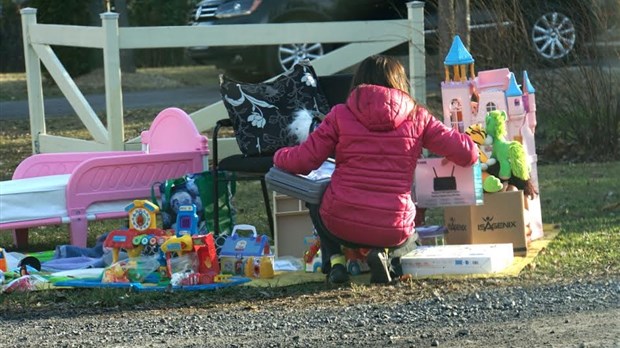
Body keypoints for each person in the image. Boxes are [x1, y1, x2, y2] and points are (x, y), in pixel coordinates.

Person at [273, 55, 478, 284]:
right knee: (413, 236)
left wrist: (279, 155)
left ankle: (336, 260)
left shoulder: (340, 114)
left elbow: (303, 161)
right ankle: (387, 256)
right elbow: (468, 154)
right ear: (400, 81)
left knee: (317, 196)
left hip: (340, 223)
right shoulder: (418, 117)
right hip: (393, 227)